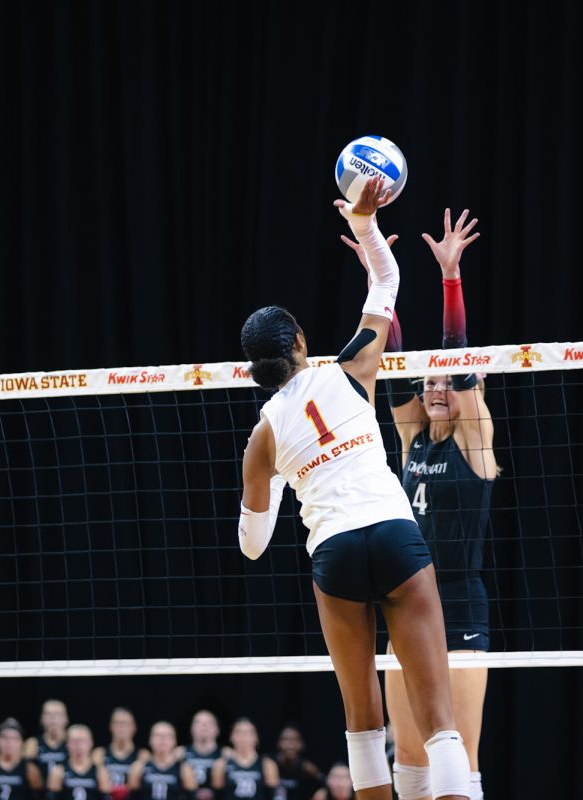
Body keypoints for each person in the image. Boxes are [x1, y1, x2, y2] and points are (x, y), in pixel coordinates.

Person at [238, 177, 471, 800]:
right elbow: (387, 285)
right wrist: (366, 224)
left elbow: (254, 547)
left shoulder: (262, 439)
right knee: (439, 723)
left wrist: (291, 473)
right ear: (301, 347)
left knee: (363, 725)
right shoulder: (350, 371)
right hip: (394, 535)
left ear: (254, 367)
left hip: (335, 553)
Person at [344, 207, 492, 800]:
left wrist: (449, 277)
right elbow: (398, 363)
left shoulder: (477, 443)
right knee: (408, 759)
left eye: (443, 383)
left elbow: (454, 366)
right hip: (407, 601)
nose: (433, 389)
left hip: (460, 606)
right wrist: (383, 275)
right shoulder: (408, 439)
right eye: (425, 383)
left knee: (460, 752)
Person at [209, 719, 278, 800]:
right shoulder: (221, 764)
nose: (243, 737)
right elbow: (217, 795)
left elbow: (272, 795)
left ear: (256, 738)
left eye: (248, 733)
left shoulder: (268, 764)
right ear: (231, 737)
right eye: (239, 732)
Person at [91, 709, 145, 800]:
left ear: (134, 727)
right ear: (111, 726)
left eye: (126, 723)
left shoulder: (143, 755)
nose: (121, 727)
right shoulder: (99, 754)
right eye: (118, 723)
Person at [46, 725, 109, 800]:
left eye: (83, 741)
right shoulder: (58, 771)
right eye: (75, 741)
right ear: (67, 744)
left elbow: (105, 797)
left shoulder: (100, 771)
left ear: (91, 743)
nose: (79, 745)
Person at [127, 722, 183, 800]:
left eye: (167, 736)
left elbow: (190, 795)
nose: (162, 739)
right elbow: (132, 795)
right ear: (150, 740)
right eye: (158, 735)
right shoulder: (139, 766)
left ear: (174, 741)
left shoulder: (183, 768)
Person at [178, 711, 224, 800]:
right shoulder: (179, 753)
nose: (204, 726)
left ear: (217, 729)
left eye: (209, 723)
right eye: (198, 722)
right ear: (191, 728)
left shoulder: (227, 754)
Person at [273, 725, 321, 800]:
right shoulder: (269, 764)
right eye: (286, 739)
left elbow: (324, 785)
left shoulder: (308, 770)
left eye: (295, 740)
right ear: (279, 743)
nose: (290, 744)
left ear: (302, 745)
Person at [24, 701, 69, 773]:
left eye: (58, 714)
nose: (53, 718)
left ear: (66, 718)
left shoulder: (74, 743)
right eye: (48, 714)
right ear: (42, 719)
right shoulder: (33, 743)